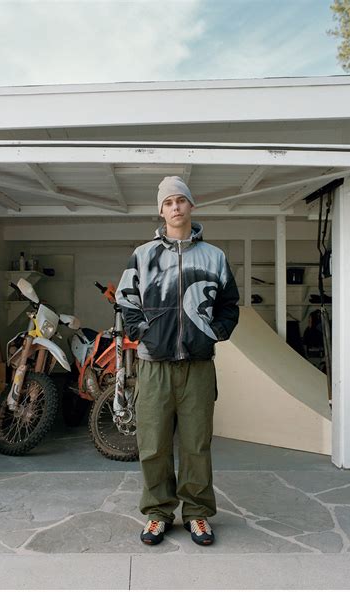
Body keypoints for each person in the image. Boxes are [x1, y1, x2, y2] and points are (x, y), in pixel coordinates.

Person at [116, 176, 240, 546]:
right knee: (153, 445)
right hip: (154, 366)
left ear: (191, 205)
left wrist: (213, 332)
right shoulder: (143, 255)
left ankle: (197, 513)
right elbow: (126, 300)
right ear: (161, 210)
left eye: (180, 200)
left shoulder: (214, 256)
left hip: (198, 367)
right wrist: (144, 333)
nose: (175, 207)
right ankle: (157, 513)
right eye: (168, 202)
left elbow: (229, 304)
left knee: (196, 445)